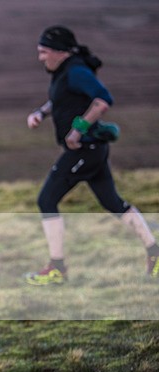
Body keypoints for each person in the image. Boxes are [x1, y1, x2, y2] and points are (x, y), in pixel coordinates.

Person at [25, 25, 159, 285]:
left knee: (46, 200)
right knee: (113, 204)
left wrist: (79, 129)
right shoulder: (64, 72)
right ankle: (155, 253)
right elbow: (60, 99)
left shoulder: (76, 72)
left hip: (84, 150)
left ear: (60, 52)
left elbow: (103, 99)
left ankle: (57, 269)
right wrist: (41, 113)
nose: (40, 57)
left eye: (44, 52)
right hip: (92, 150)